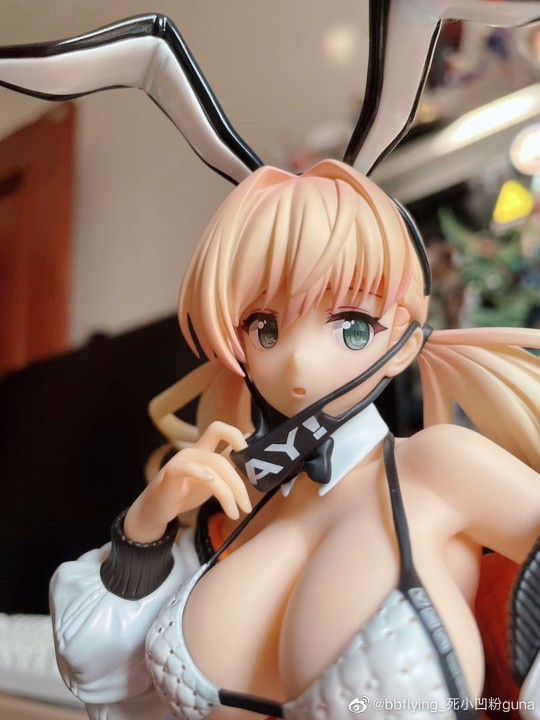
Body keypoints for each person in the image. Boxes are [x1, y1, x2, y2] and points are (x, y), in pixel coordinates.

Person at [50, 160, 540, 720]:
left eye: (352, 326)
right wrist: (145, 530)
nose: (299, 360)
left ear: (402, 344)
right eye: (265, 328)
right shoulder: (233, 514)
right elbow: (95, 670)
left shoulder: (437, 466)